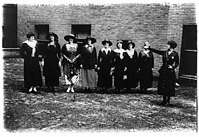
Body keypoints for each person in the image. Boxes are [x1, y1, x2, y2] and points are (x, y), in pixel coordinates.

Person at [149, 40, 179, 106]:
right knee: (163, 84)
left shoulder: (175, 54)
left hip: (170, 72)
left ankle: (168, 100)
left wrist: (173, 67)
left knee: (169, 85)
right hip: (164, 71)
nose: (167, 46)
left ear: (171, 46)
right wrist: (149, 48)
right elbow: (157, 51)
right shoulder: (165, 52)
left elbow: (177, 62)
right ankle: (164, 99)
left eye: (168, 45)